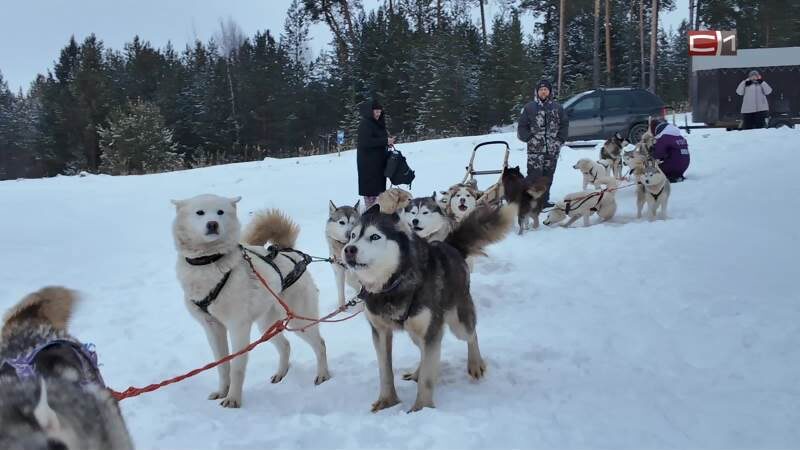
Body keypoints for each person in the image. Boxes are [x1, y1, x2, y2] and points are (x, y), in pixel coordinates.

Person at [516, 79, 569, 207]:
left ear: (550, 92)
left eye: (545, 89)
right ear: (537, 92)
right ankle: (529, 201)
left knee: (547, 177)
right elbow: (522, 126)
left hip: (552, 150)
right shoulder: (529, 107)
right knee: (533, 176)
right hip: (535, 151)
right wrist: (529, 138)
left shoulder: (557, 107)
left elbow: (564, 124)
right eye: (541, 90)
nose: (543, 92)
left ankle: (543, 201)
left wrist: (560, 140)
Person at [357, 99, 394, 209]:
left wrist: (388, 143)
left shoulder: (379, 123)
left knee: (379, 189)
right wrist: (385, 141)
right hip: (368, 162)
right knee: (370, 189)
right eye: (376, 111)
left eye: (379, 111)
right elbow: (365, 142)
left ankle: (379, 210)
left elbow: (379, 139)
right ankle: (371, 212)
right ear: (370, 111)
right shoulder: (365, 124)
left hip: (379, 161)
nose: (378, 114)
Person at [651, 119, 690, 183]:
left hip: (673, 166)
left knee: (654, 169)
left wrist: (652, 151)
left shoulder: (664, 138)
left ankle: (669, 178)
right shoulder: (680, 137)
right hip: (684, 166)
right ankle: (676, 176)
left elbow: (658, 154)